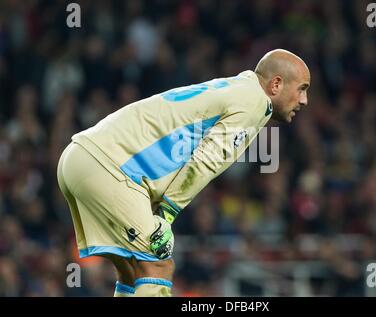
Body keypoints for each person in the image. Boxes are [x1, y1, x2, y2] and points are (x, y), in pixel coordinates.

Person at [57, 49, 310, 297]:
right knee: (158, 265)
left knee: (133, 273)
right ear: (276, 84)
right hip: (109, 167)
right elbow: (206, 159)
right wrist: (167, 214)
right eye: (302, 88)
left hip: (80, 158)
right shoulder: (255, 102)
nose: (304, 100)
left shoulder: (235, 88)